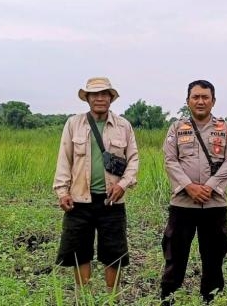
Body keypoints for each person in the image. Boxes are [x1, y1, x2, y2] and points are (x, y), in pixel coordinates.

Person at [53, 77, 139, 293]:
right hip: (79, 200)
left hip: (112, 201)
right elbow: (65, 159)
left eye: (104, 94)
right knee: (79, 251)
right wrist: (62, 192)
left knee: (114, 252)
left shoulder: (124, 126)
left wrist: (123, 185)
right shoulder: (74, 124)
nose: (100, 98)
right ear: (87, 98)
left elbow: (133, 160)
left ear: (111, 98)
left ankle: (112, 298)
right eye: (95, 94)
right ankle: (84, 297)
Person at [160, 80, 227, 304]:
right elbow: (170, 160)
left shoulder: (225, 128)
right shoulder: (177, 128)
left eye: (205, 97)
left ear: (213, 101)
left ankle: (211, 299)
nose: (200, 101)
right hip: (183, 204)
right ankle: (168, 298)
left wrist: (210, 187)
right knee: (175, 256)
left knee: (214, 257)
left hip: (214, 205)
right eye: (196, 97)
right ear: (188, 101)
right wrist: (189, 187)